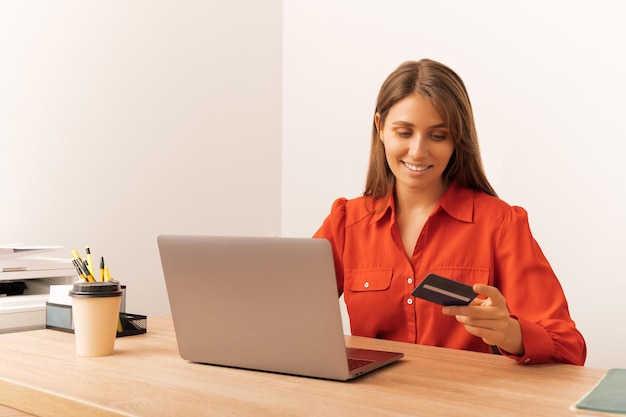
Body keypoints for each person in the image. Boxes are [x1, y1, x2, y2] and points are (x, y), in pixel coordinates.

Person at [313, 58, 586, 365]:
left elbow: (569, 347)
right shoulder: (346, 222)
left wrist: (510, 333)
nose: (418, 151)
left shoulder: (500, 225)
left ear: (458, 139)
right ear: (380, 128)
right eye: (404, 133)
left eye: (438, 136)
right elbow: (286, 311)